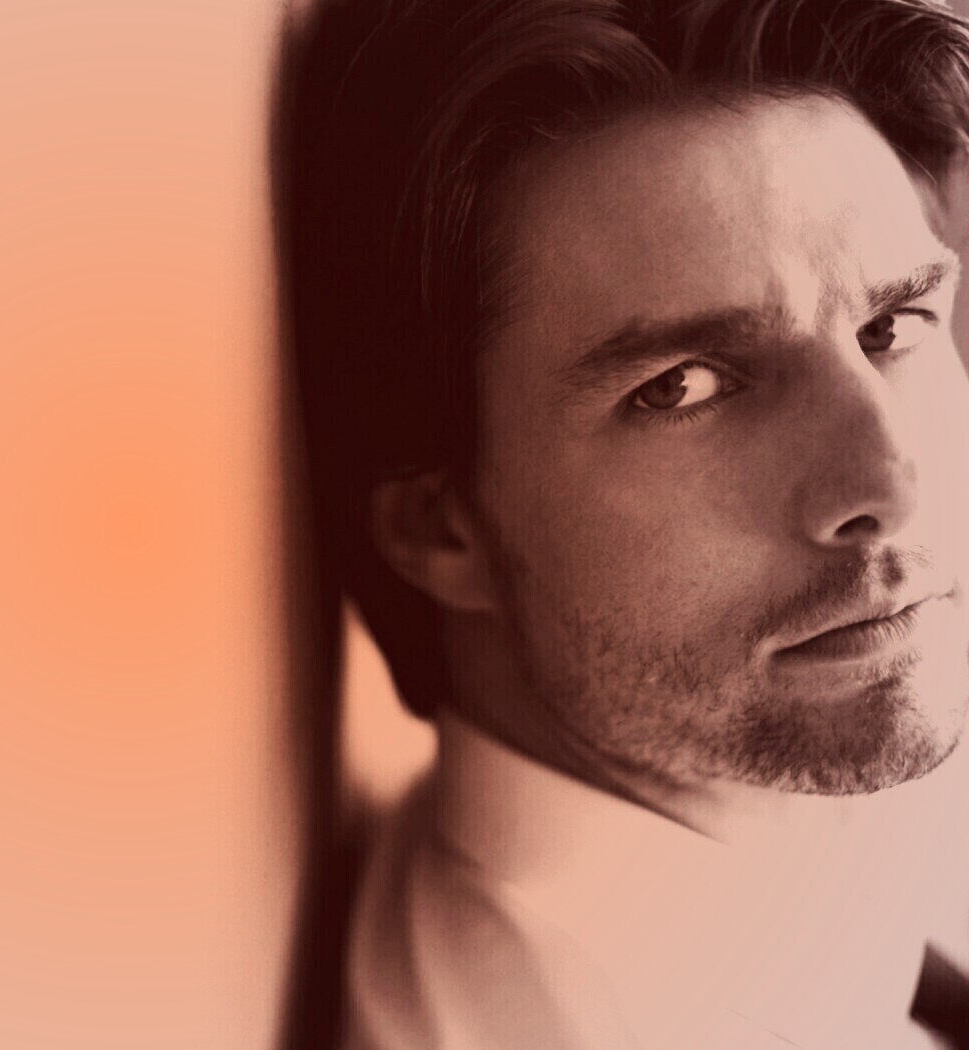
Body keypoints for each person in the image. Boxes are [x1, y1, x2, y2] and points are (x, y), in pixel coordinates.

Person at [273, 0, 969, 1046]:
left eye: (892, 326)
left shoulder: (769, 815)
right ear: (441, 528)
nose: (891, 484)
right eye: (684, 386)